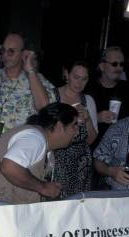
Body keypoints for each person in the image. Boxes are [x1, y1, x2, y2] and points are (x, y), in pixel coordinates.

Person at [0, 102, 78, 204]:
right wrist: (43, 187)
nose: (77, 132)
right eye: (74, 125)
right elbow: (10, 167)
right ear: (59, 126)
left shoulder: (46, 149)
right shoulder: (35, 138)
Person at [0, 32, 55, 165]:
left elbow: (44, 108)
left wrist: (30, 70)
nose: (5, 56)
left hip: (18, 159)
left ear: (23, 54)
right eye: (3, 51)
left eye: (11, 51)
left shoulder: (36, 80)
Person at [53, 60, 98, 197]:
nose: (79, 83)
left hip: (81, 165)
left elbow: (90, 140)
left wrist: (88, 119)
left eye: (84, 79)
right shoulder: (52, 95)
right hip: (55, 160)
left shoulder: (88, 100)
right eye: (76, 77)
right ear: (66, 74)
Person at [88, 46, 129, 141]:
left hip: (119, 147)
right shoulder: (89, 88)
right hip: (93, 146)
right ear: (102, 66)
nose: (119, 68)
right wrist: (96, 117)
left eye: (122, 64)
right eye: (114, 64)